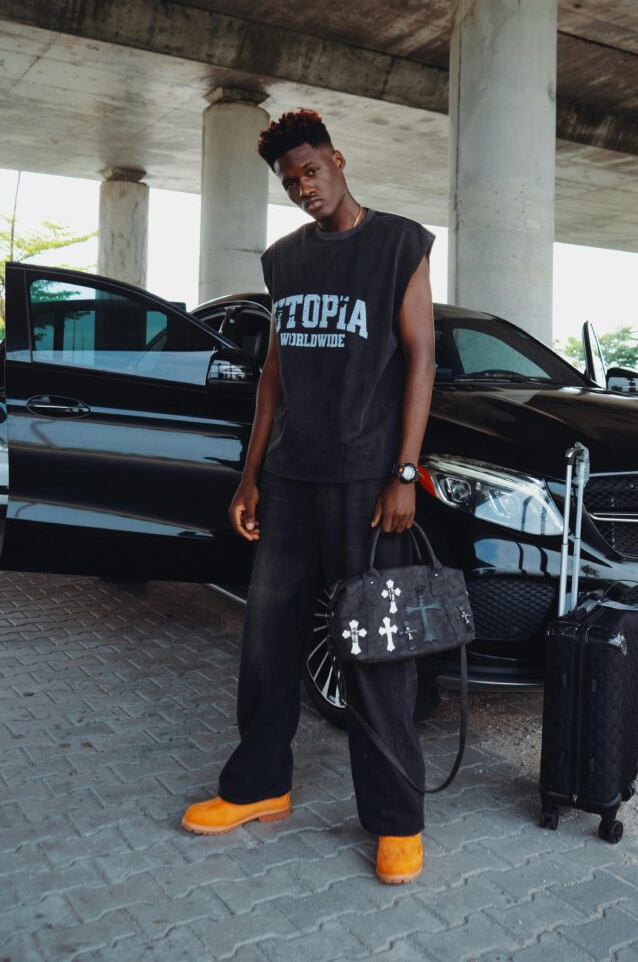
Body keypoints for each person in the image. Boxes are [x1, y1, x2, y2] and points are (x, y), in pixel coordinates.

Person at [181, 108, 437, 885]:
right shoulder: (283, 261)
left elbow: (423, 360)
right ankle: (261, 785)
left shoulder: (398, 244)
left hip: (365, 483)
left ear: (338, 160)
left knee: (374, 653)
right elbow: (273, 377)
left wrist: (403, 473)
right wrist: (250, 474)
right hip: (291, 479)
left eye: (310, 172)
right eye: (289, 181)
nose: (302, 188)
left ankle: (396, 821)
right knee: (267, 642)